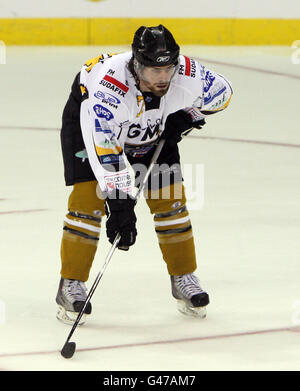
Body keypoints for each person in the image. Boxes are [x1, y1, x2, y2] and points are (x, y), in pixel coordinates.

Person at [56, 24, 233, 325]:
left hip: (152, 126)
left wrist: (187, 117)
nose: (163, 78)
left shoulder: (186, 74)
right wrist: (121, 204)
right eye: (154, 70)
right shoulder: (108, 91)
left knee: (170, 201)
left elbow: (223, 93)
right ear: (136, 65)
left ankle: (184, 278)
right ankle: (70, 284)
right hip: (96, 128)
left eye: (168, 69)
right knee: (88, 200)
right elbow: (107, 154)